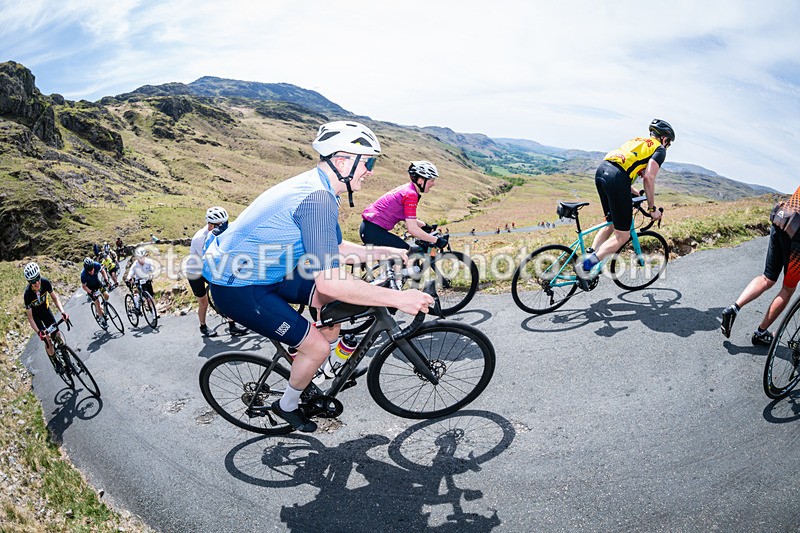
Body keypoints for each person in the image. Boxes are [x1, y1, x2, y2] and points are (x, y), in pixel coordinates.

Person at [203, 121, 433, 432]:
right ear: (342, 161)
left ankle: (312, 362)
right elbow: (331, 279)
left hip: (265, 269)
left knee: (331, 305)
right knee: (318, 344)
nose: (371, 171)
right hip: (237, 287)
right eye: (369, 162)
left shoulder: (321, 188)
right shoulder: (317, 199)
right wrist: (399, 298)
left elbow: (336, 247)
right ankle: (286, 405)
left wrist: (387, 252)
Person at [576, 119, 674, 289]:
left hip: (602, 172)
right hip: (617, 179)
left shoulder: (638, 141)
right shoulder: (659, 148)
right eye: (669, 143)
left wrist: (634, 192)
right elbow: (649, 178)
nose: (667, 147)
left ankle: (590, 256)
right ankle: (585, 266)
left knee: (612, 222)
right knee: (623, 236)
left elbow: (624, 165)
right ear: (664, 139)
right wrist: (652, 209)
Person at [721, 186, 800, 345]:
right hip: (797, 237)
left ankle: (734, 308)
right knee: (788, 289)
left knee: (767, 277)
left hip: (781, 219)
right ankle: (760, 333)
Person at [186, 206, 248, 337]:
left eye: (224, 223)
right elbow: (211, 260)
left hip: (210, 266)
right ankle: (203, 326)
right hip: (196, 270)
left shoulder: (223, 230)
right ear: (209, 225)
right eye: (220, 225)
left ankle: (232, 326)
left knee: (228, 295)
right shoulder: (199, 238)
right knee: (203, 302)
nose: (224, 226)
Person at [360, 161, 447, 250]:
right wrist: (436, 240)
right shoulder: (411, 194)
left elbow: (406, 217)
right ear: (421, 181)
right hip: (374, 232)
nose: (433, 184)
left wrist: (425, 226)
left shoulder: (408, 188)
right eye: (431, 180)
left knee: (400, 255)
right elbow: (412, 229)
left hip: (369, 229)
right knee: (405, 252)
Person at [23, 262, 69, 365]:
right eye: (33, 281)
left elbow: (55, 298)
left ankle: (66, 355)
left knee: (57, 334)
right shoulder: (27, 295)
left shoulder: (45, 282)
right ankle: (55, 361)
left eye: (37, 278)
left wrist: (63, 312)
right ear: (29, 282)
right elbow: (30, 318)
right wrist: (39, 332)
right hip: (36, 317)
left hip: (45, 311)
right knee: (47, 339)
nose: (36, 283)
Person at [81, 257, 110, 328]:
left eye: (92, 269)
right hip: (90, 288)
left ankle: (102, 307)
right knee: (97, 302)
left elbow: (103, 271)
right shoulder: (83, 275)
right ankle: (102, 319)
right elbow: (84, 286)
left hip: (97, 283)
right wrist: (90, 292)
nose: (91, 272)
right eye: (89, 271)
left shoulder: (96, 265)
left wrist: (106, 280)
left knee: (106, 295)